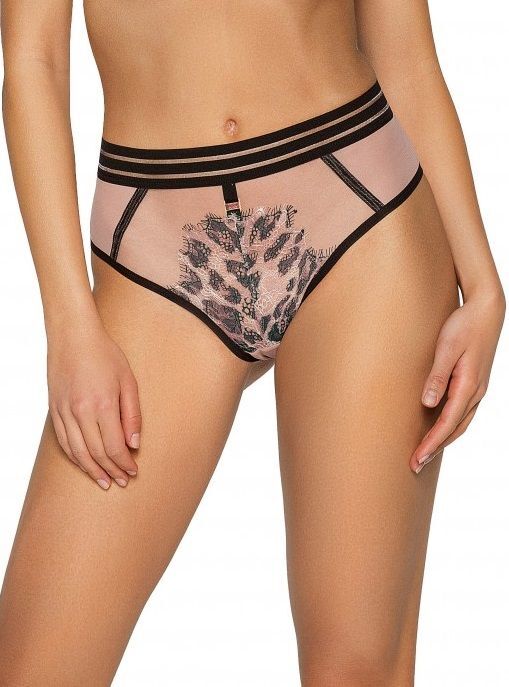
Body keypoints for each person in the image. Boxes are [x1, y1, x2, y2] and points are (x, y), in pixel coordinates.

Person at [0, 1, 504, 685]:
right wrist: (68, 325)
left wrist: (483, 284)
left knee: (354, 669)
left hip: (357, 204)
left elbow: (404, 51)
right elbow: (33, 59)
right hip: (155, 241)